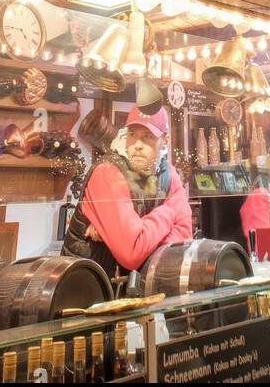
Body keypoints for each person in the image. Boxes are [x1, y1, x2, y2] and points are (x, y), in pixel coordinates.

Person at [62, 106, 192, 281]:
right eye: (132, 135)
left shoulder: (168, 174)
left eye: (148, 137)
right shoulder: (108, 172)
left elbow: (184, 239)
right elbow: (132, 253)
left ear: (164, 140)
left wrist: (138, 232)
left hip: (130, 290)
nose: (138, 145)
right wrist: (168, 213)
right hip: (87, 288)